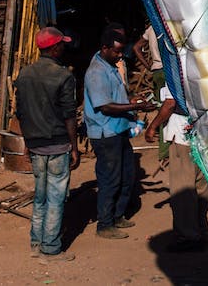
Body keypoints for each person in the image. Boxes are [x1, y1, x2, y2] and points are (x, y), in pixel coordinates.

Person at [14, 26, 80, 261]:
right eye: (62, 43)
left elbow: (20, 113)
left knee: (40, 196)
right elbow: (69, 115)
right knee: (55, 197)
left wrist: (27, 143)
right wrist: (74, 147)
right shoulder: (63, 75)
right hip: (57, 145)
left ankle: (36, 242)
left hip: (35, 145)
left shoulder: (24, 74)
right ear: (54, 48)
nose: (64, 47)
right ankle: (51, 248)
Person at [84, 27, 154, 240]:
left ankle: (117, 215)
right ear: (104, 48)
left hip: (118, 129)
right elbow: (105, 107)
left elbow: (117, 98)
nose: (120, 55)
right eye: (116, 51)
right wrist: (137, 108)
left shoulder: (111, 66)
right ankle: (104, 224)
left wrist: (133, 101)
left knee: (126, 175)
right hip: (105, 133)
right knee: (110, 179)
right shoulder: (96, 72)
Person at [143, 82, 208, 252]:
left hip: (182, 134)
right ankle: (200, 227)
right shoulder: (200, 65)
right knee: (200, 185)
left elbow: (170, 103)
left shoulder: (176, 67)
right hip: (202, 132)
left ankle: (188, 236)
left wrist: (152, 126)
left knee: (183, 189)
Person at [134, 25, 168, 165]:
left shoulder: (151, 28)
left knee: (162, 109)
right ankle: (165, 152)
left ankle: (164, 150)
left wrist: (149, 66)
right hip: (167, 72)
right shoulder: (167, 24)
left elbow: (136, 47)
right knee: (168, 110)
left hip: (157, 72)